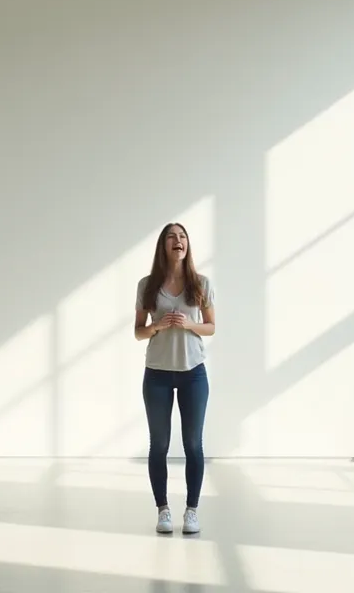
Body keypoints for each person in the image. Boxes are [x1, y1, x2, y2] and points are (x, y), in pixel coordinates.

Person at [134, 222, 216, 534]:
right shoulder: (147, 285)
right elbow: (138, 331)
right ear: (163, 246)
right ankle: (163, 510)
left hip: (193, 374)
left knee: (193, 444)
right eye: (171, 237)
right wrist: (156, 326)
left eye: (182, 237)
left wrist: (187, 324)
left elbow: (211, 326)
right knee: (159, 444)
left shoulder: (201, 283)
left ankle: (192, 511)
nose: (178, 241)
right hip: (157, 374)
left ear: (187, 245)